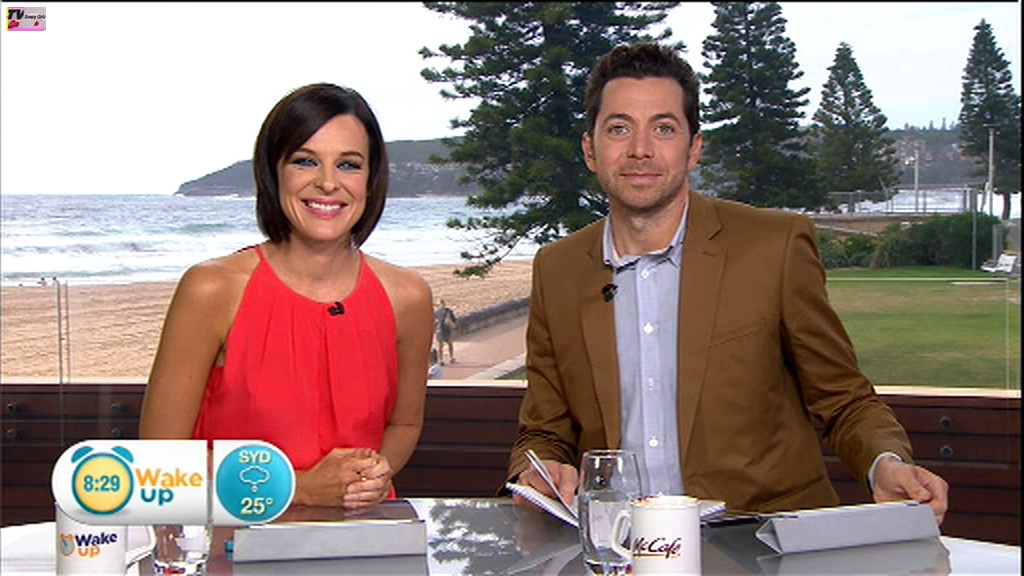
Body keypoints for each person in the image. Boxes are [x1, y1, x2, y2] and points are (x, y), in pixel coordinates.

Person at [507, 42, 949, 524]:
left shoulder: (775, 247)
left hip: (764, 543)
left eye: (664, 128)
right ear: (590, 150)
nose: (640, 149)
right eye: (619, 128)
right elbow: (544, 433)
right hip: (620, 546)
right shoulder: (557, 269)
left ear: (694, 148)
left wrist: (885, 464)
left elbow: (843, 398)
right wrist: (540, 470)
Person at [139, 83, 434, 511]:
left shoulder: (408, 298)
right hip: (235, 541)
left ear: (371, 179)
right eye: (305, 161)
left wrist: (368, 478)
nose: (328, 182)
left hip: (363, 536)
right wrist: (302, 489)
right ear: (273, 172)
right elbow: (158, 464)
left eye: (348, 165)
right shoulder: (212, 289)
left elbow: (404, 425)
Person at [434, 299, 457, 364]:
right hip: (442, 330)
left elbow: (454, 319)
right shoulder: (438, 312)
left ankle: (449, 358)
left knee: (447, 344)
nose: (442, 305)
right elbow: (434, 321)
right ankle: (443, 359)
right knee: (442, 345)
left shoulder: (448, 311)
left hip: (445, 329)